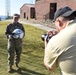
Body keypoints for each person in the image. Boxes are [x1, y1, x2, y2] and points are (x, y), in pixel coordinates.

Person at [44, 6, 76, 75]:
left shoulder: (54, 41)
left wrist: (47, 44)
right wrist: (59, 33)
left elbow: (50, 67)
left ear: (58, 22)